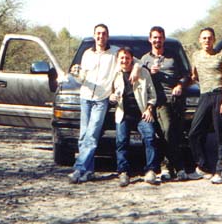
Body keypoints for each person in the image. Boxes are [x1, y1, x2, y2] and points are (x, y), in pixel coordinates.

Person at [68, 24, 139, 184]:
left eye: (103, 34)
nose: (101, 36)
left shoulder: (114, 52)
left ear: (107, 36)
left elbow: (135, 61)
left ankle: (79, 168)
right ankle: (89, 171)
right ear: (94, 35)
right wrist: (77, 74)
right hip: (85, 97)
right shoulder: (87, 53)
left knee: (92, 136)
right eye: (98, 33)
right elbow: (82, 78)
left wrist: (135, 69)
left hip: (101, 99)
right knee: (83, 137)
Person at [140, 26, 197, 181]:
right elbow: (139, 80)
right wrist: (149, 73)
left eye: (160, 37)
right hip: (159, 102)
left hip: (177, 101)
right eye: (155, 37)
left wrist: (179, 85)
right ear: (150, 39)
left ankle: (173, 167)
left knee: (175, 135)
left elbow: (187, 76)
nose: (157, 40)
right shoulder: (145, 59)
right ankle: (172, 167)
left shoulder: (173, 57)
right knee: (168, 131)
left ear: (163, 39)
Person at [188, 27, 222, 184]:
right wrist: (180, 84)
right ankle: (203, 167)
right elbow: (193, 76)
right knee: (194, 133)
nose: (207, 40)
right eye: (204, 38)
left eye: (210, 38)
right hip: (204, 96)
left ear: (214, 39)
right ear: (200, 40)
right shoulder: (196, 56)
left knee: (221, 136)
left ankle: (221, 170)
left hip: (219, 95)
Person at [110, 47, 158, 187]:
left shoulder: (143, 73)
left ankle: (151, 170)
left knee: (150, 137)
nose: (125, 60)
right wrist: (112, 97)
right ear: (118, 60)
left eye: (127, 58)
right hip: (123, 113)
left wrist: (149, 109)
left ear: (132, 59)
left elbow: (152, 95)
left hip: (142, 113)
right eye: (122, 58)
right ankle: (123, 172)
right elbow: (109, 93)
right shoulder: (115, 74)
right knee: (121, 141)